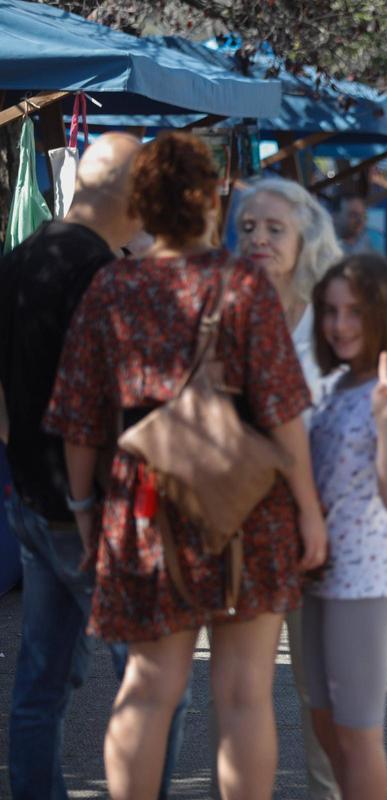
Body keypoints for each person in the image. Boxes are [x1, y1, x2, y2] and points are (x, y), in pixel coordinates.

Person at [43, 132, 328, 799]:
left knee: (147, 688)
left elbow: (79, 422)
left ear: (140, 205)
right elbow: (284, 413)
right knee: (244, 697)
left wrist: (86, 513)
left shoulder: (111, 287)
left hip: (143, 508)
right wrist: (310, 513)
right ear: (209, 198)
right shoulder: (244, 287)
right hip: (250, 510)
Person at [0, 133, 189, 800]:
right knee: (153, 684)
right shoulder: (102, 276)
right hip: (92, 514)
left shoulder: (18, 260)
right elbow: (114, 405)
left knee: (41, 683)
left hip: (29, 499)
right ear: (135, 197)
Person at [235, 175, 343, 799]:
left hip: (321, 518)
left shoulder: (334, 312)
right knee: (240, 685)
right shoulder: (227, 306)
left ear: (306, 236)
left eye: (275, 229)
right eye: (249, 227)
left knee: (319, 686)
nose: (260, 239)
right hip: (243, 518)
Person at [304, 253, 387, 799]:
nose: (340, 324)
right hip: (316, 579)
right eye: (330, 311)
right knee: (330, 732)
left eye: (354, 311)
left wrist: (384, 419)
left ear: (381, 313)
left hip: (363, 582)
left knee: (357, 736)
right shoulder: (331, 387)